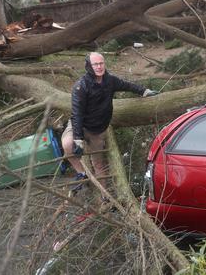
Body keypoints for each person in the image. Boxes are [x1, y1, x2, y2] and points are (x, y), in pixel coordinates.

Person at [61, 52, 157, 195]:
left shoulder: (109, 80)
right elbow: (77, 113)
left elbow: (127, 85)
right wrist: (78, 138)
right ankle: (82, 173)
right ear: (89, 66)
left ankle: (104, 195)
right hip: (80, 124)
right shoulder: (81, 86)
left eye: (101, 63)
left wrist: (144, 91)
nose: (99, 67)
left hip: (98, 130)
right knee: (67, 145)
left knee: (98, 163)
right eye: (95, 64)